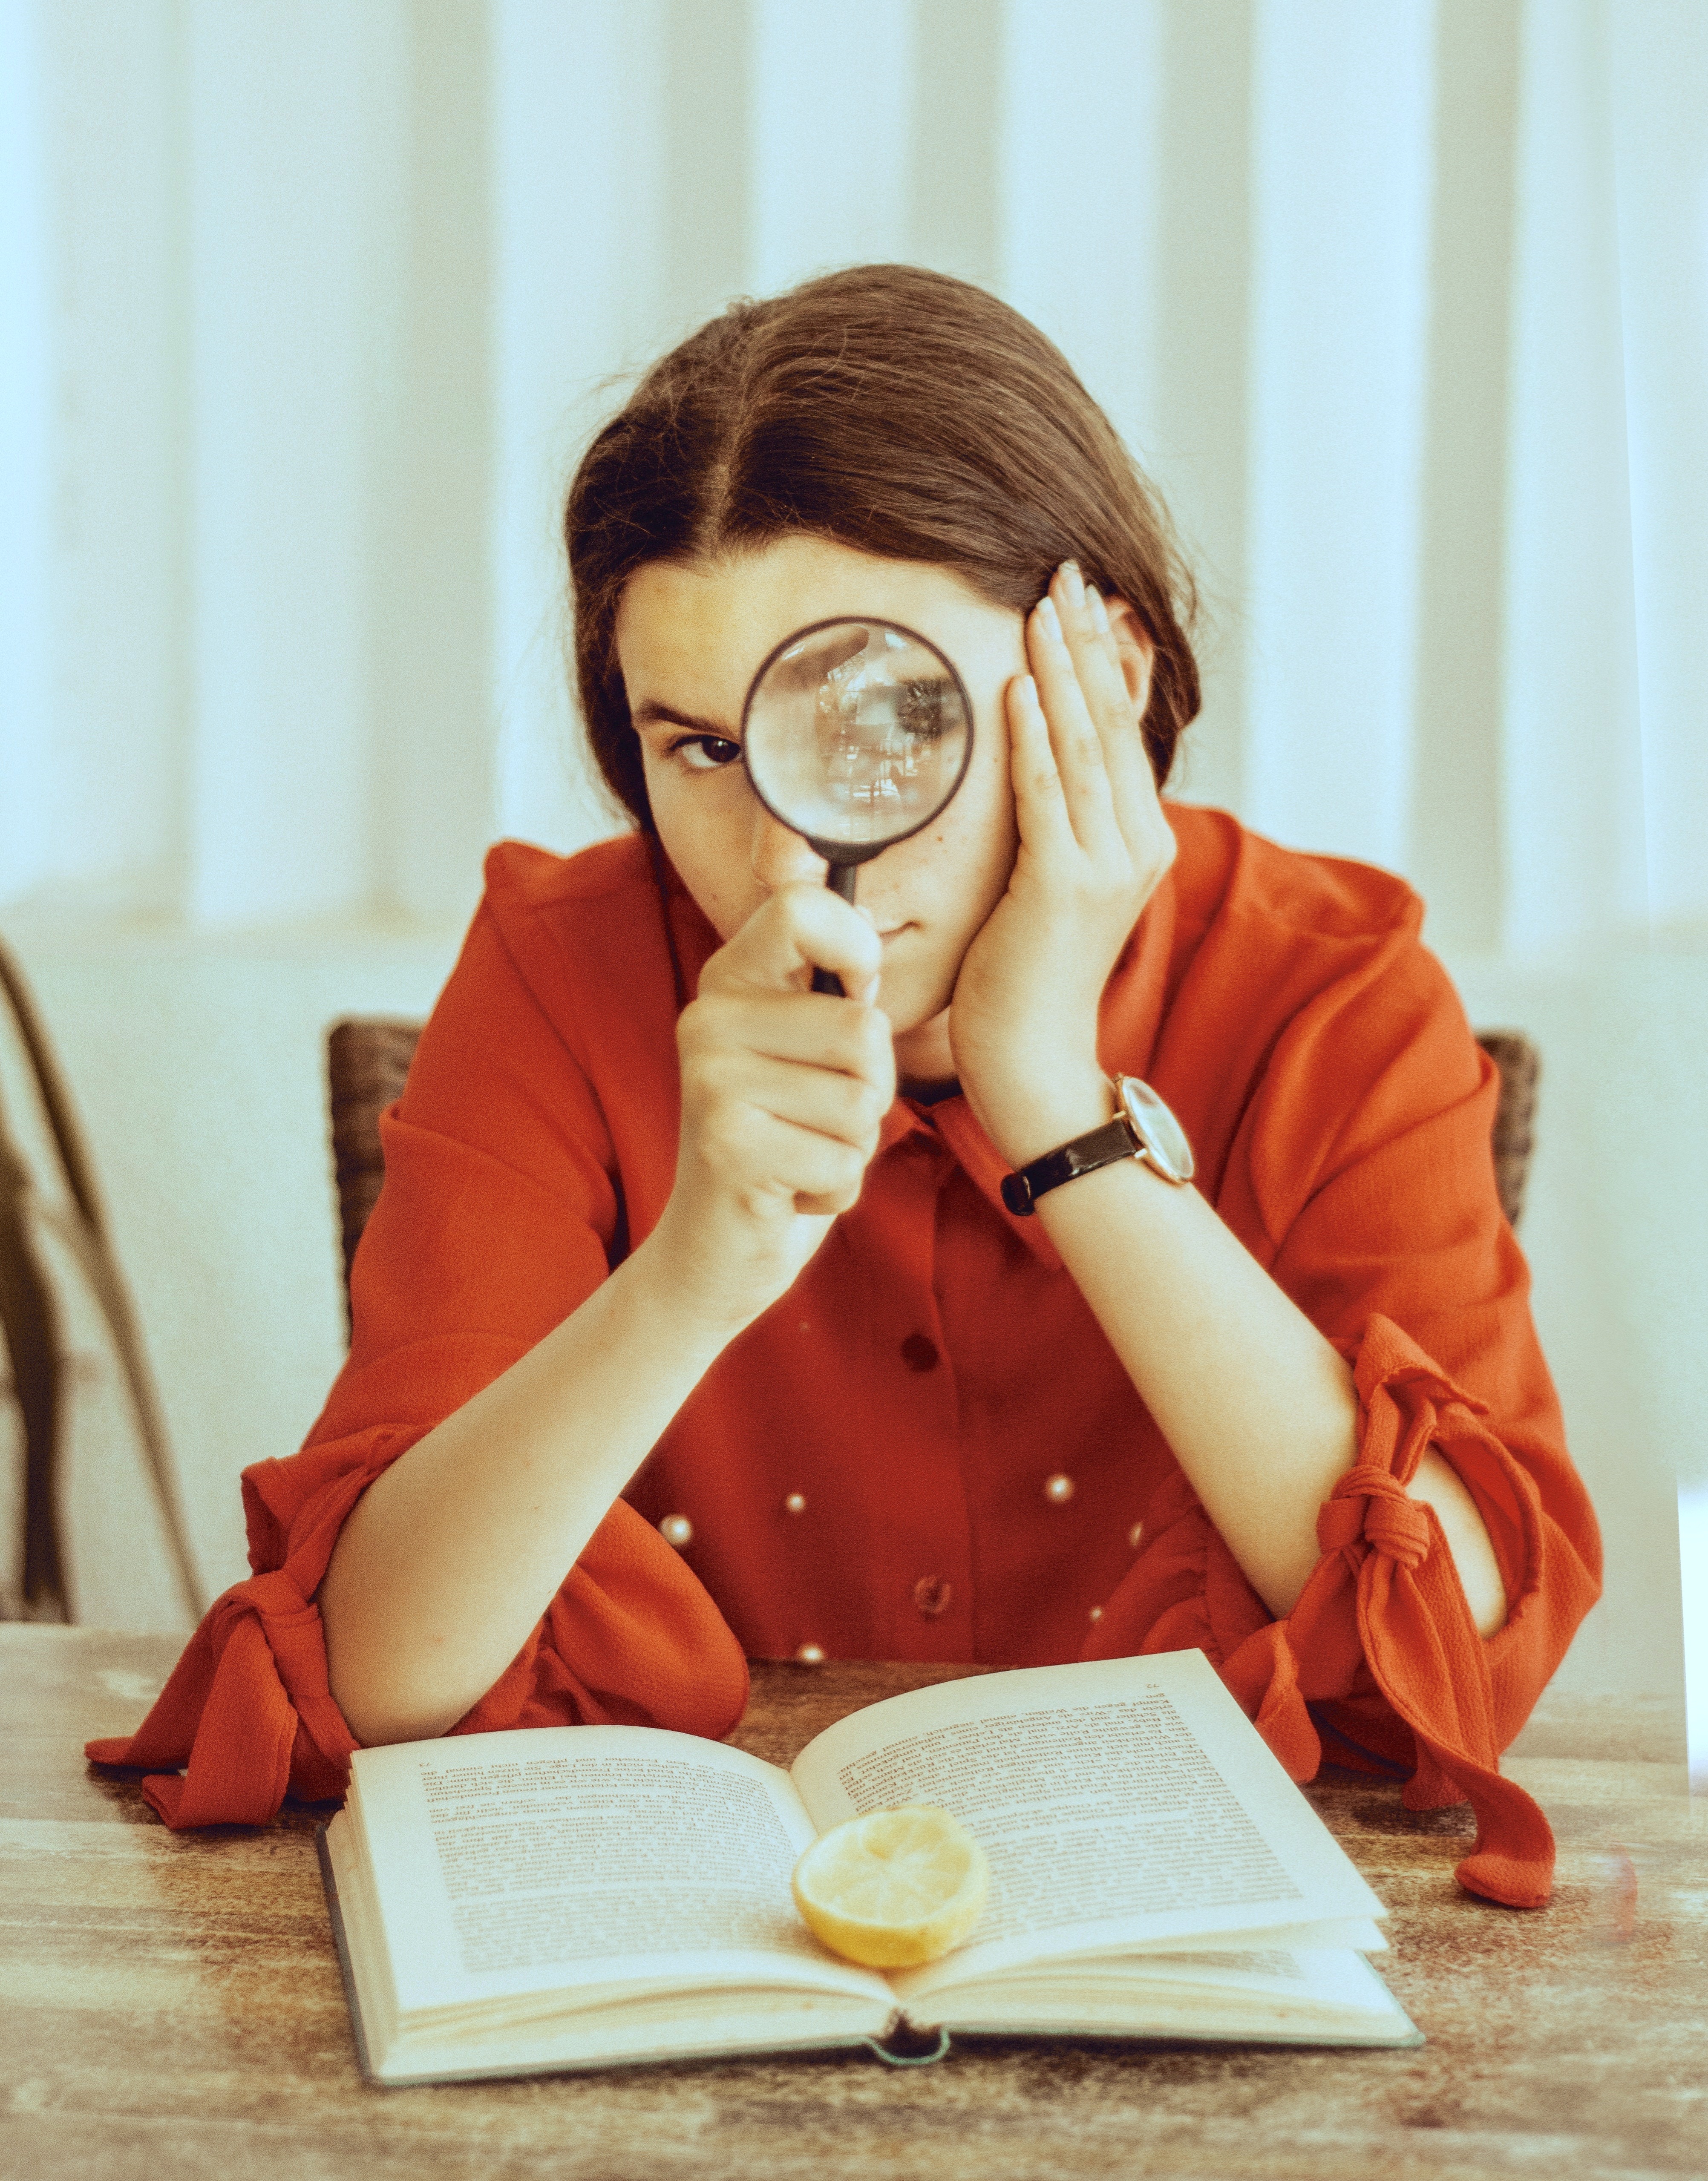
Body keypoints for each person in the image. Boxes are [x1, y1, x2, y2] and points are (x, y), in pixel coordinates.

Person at [89, 265, 1599, 1907]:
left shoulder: (1328, 988)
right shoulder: (562, 968)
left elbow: (1454, 1647)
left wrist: (1051, 1096)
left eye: (887, 716)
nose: (788, 852)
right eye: (700, 748)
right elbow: (375, 1674)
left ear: (1104, 675)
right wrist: (694, 1271)